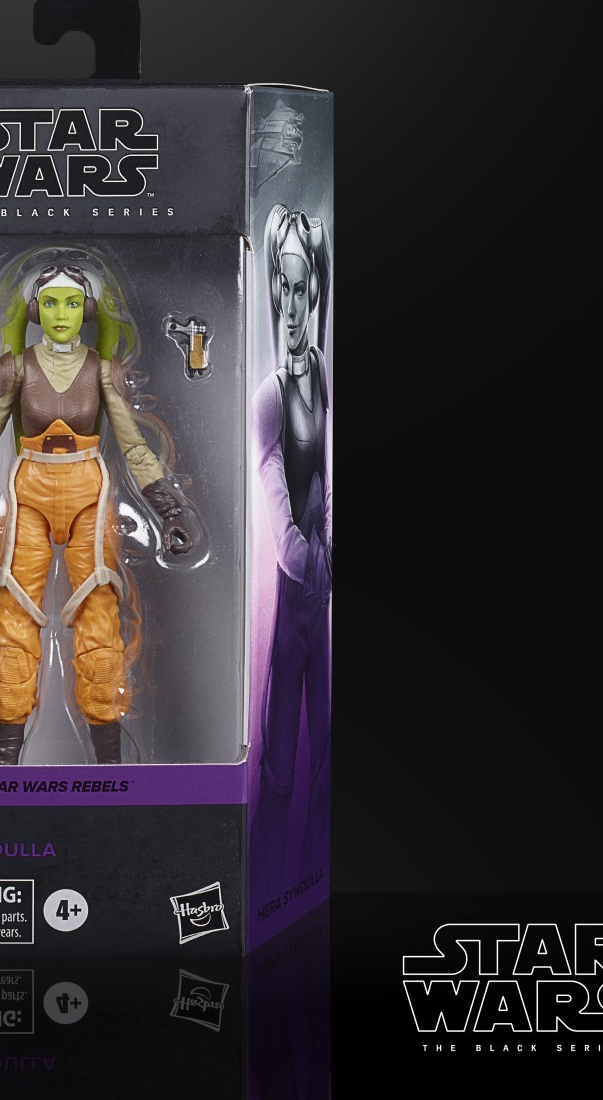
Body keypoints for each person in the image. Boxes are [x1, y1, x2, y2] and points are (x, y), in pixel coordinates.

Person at [0, 253, 201, 765]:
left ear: (86, 310)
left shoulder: (103, 372)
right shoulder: (16, 370)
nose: (61, 313)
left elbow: (134, 445)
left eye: (71, 303)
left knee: (99, 615)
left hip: (89, 491)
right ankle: (5, 752)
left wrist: (169, 510)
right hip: (30, 491)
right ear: (35, 310)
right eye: (51, 303)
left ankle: (109, 757)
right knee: (14, 613)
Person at [251, 206, 332, 880]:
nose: (294, 307)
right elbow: (270, 471)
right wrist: (304, 551)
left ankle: (311, 882)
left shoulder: (325, 377)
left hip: (321, 605)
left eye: (303, 290)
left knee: (326, 759)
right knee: (279, 766)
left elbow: (326, 471)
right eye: (284, 289)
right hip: (288, 604)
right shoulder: (269, 394)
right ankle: (266, 883)